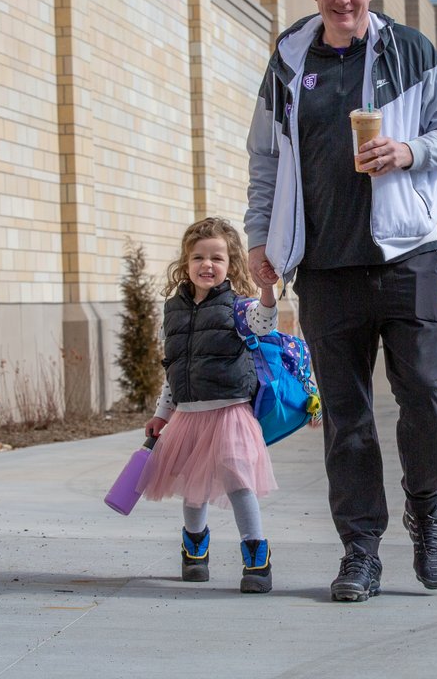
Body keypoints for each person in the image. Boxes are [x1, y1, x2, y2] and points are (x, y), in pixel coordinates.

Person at [244, 0, 437, 602]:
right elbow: (264, 161)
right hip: (324, 269)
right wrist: (262, 239)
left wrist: (409, 150)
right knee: (345, 419)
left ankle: (426, 514)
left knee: (425, 395)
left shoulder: (411, 53)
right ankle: (361, 553)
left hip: (406, 257)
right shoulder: (288, 61)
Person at [136, 217, 281, 594]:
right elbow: (174, 367)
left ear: (230, 264)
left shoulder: (238, 307)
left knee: (238, 481)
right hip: (188, 415)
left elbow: (263, 324)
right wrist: (161, 414)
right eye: (198, 257)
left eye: (217, 258)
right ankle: (195, 546)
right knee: (192, 485)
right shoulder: (173, 310)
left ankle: (256, 553)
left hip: (230, 412)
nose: (207, 265)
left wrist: (267, 291)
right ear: (185, 263)